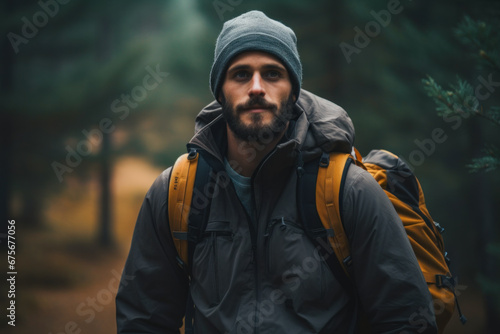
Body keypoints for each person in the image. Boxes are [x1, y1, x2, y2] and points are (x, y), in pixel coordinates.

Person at [116, 10, 438, 334]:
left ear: (294, 92)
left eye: (272, 74)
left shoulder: (349, 191)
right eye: (241, 75)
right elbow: (144, 320)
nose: (256, 87)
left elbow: (407, 321)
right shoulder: (176, 193)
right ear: (219, 92)